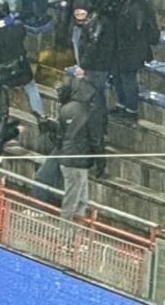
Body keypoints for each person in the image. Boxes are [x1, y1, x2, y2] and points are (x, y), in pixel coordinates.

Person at [0, 0, 43, 116]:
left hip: (3, 72)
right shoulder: (18, 26)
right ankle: (40, 115)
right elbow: (22, 34)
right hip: (21, 68)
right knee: (31, 88)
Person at [52, 73, 98, 221]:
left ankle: (75, 237)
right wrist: (99, 161)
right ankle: (66, 237)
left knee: (80, 200)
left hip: (68, 159)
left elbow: (59, 136)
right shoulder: (90, 112)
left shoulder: (65, 109)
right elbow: (95, 139)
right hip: (78, 161)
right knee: (74, 202)